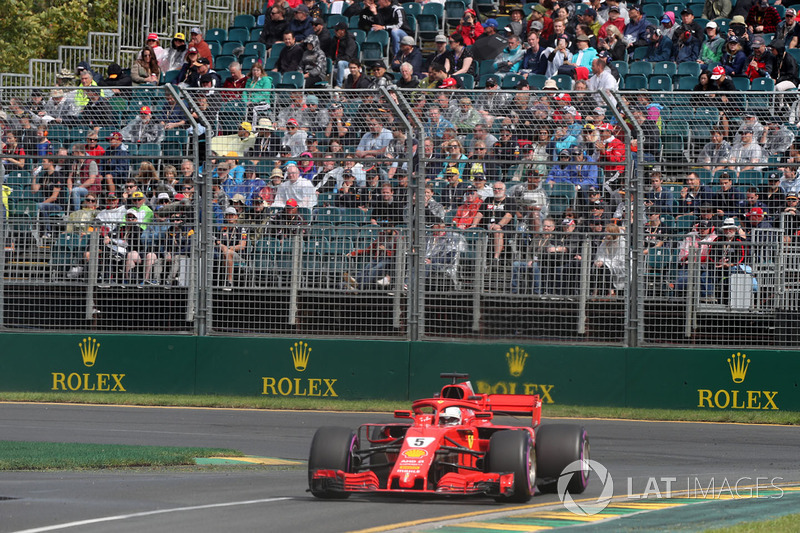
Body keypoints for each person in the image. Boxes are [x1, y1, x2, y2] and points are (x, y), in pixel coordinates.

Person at [215, 207, 247, 290]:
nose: (230, 217)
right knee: (226, 253)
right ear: (225, 217)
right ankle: (227, 281)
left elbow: (242, 246)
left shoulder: (241, 229)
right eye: (228, 215)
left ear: (236, 217)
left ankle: (229, 281)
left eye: (232, 215)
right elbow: (217, 242)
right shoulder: (223, 229)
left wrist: (228, 248)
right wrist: (223, 247)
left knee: (227, 252)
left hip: (238, 257)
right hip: (223, 255)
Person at [328, 22, 358, 87]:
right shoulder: (335, 39)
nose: (335, 32)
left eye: (336, 30)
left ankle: (339, 85)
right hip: (336, 62)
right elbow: (330, 52)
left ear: (343, 31)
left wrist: (336, 60)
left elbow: (348, 56)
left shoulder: (350, 40)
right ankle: (327, 85)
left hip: (348, 63)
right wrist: (330, 59)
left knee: (340, 63)